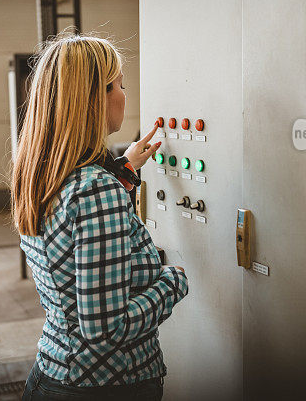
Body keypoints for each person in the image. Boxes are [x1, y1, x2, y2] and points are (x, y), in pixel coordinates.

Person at [11, 34, 189, 400]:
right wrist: (174, 282)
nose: (125, 94)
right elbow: (107, 331)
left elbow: (74, 227)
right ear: (94, 98)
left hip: (54, 372)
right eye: (120, 84)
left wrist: (124, 170)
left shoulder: (40, 172)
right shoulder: (95, 189)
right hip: (107, 386)